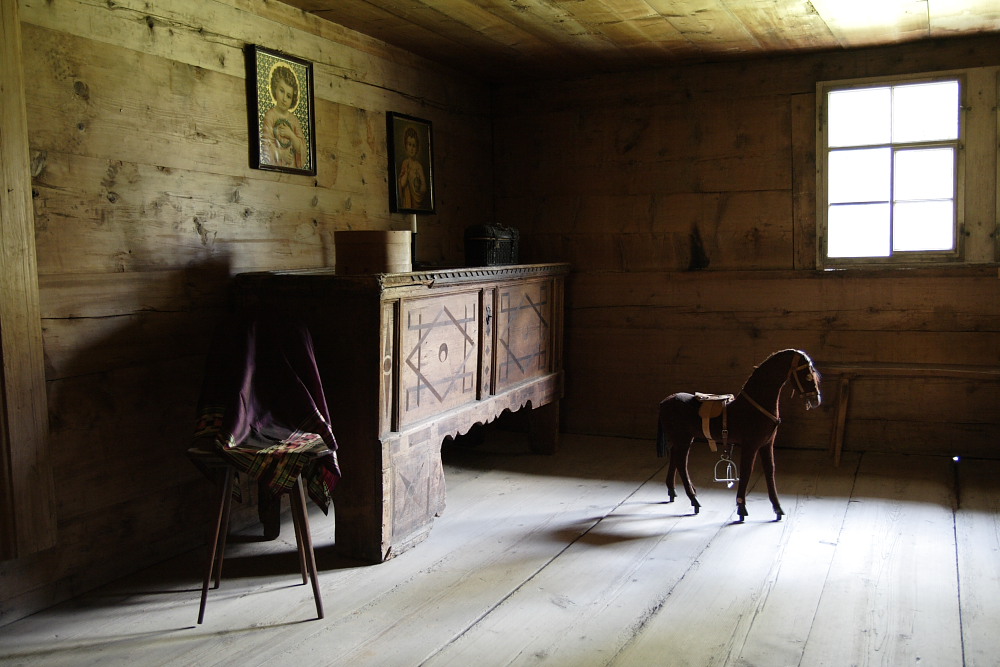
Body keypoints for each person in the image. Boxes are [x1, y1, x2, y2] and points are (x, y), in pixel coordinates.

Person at [260, 65, 306, 169]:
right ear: (275, 88)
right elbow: (265, 145)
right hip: (274, 167)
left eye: (289, 96)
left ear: (293, 99)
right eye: (281, 91)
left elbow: (302, 150)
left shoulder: (294, 121)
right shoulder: (270, 115)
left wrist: (291, 135)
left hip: (292, 168)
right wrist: (281, 155)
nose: (284, 99)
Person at [397, 126, 428, 209]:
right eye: (409, 144)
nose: (411, 148)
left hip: (417, 201)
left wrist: (418, 188)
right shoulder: (405, 163)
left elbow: (424, 187)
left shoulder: (419, 166)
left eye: (414, 145)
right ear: (406, 146)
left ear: (417, 147)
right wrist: (406, 173)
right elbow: (402, 184)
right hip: (408, 202)